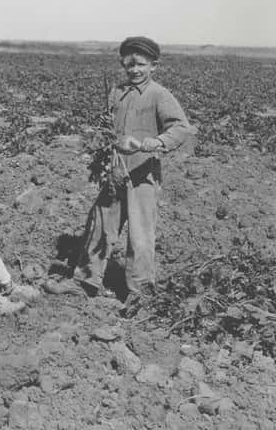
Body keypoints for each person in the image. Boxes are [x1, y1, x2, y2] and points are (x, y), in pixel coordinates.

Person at [80, 36, 192, 303]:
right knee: (99, 225)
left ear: (154, 65)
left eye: (140, 65)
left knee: (140, 234)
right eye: (129, 65)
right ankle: (85, 281)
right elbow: (106, 127)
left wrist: (151, 143)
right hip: (115, 171)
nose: (134, 70)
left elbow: (180, 128)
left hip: (143, 173)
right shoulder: (117, 92)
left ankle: (140, 293)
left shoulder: (159, 95)